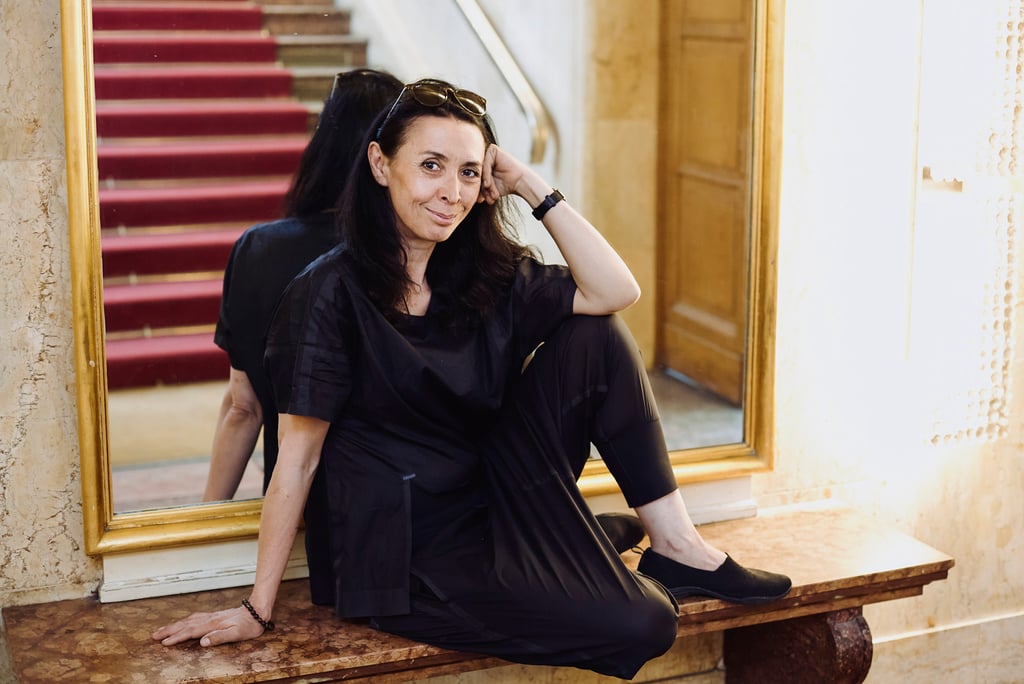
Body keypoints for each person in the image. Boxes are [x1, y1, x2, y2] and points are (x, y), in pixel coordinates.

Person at [155, 77, 791, 680]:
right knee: (646, 624)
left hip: (487, 497)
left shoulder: (482, 272)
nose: (450, 192)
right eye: (430, 165)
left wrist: (529, 186)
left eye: (467, 172)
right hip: (403, 546)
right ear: (380, 165)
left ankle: (675, 545)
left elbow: (615, 290)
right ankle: (587, 541)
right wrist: (256, 608)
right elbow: (297, 457)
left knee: (595, 333)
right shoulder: (327, 291)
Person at [203, 68, 404, 505]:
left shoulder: (259, 250)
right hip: (403, 510)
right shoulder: (415, 254)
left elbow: (243, 408)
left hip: (294, 506)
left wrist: (204, 529)